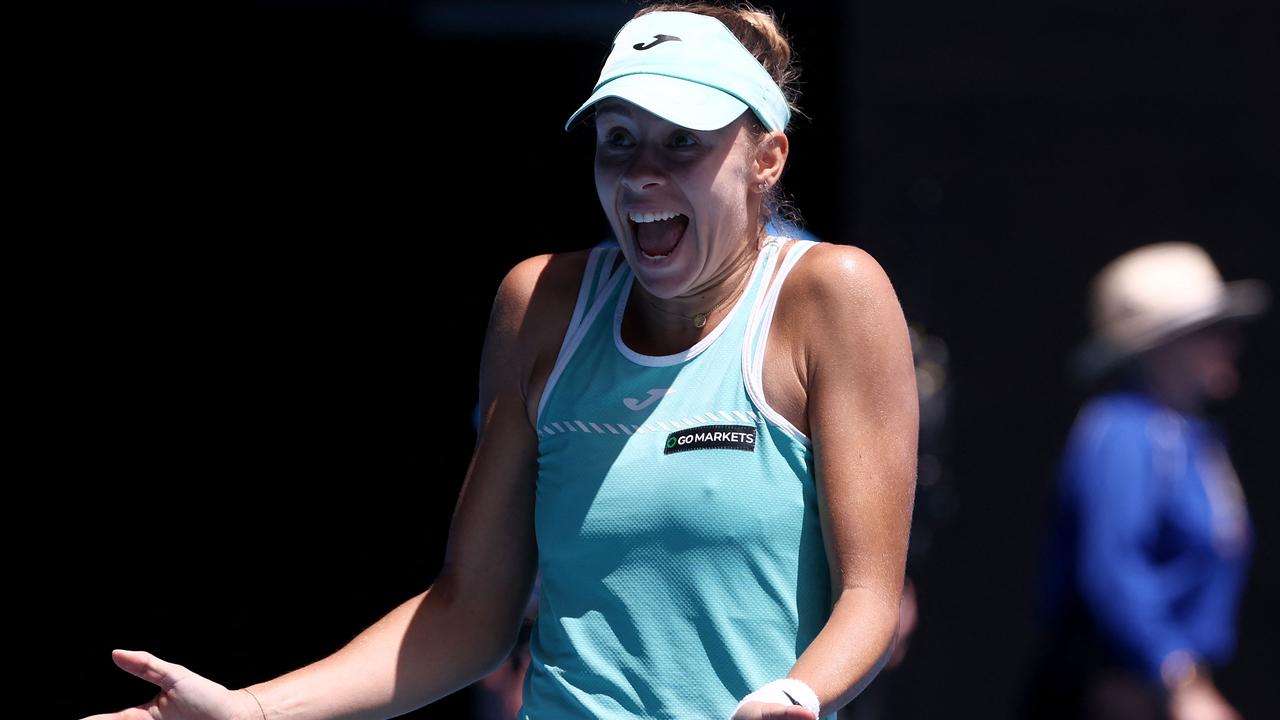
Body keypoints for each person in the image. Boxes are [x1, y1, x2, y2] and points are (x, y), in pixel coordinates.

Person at [83, 4, 918, 719]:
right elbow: (471, 613)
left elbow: (869, 598)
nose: (642, 174)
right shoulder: (539, 306)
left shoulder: (834, 296)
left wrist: (797, 695)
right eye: (618, 140)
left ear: (766, 157)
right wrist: (254, 709)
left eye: (682, 142)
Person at [1030, 242, 1268, 720]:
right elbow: (1111, 569)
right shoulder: (1121, 431)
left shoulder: (1193, 438)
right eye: (1208, 331)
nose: (1229, 343)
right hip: (1116, 695)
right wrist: (1177, 679)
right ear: (1157, 345)